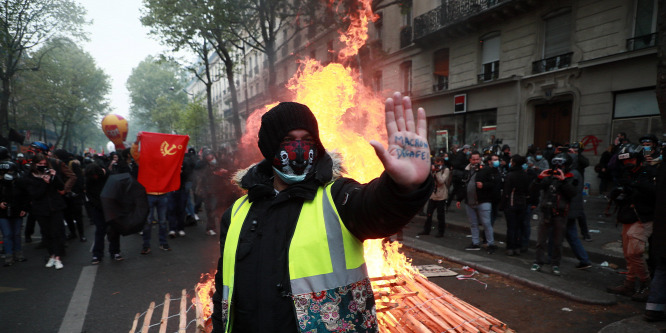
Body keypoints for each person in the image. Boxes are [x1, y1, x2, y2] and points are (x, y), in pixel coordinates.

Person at [211, 94, 432, 332]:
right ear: (269, 146)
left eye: (307, 139)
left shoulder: (337, 197)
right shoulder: (236, 213)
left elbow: (378, 209)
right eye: (288, 139)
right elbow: (224, 287)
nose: (299, 148)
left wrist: (403, 187)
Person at [606, 144, 657, 301]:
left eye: (631, 159)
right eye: (625, 161)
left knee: (635, 252)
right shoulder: (626, 173)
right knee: (628, 253)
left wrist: (634, 186)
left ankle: (646, 283)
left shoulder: (649, 172)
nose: (628, 163)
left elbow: (654, 192)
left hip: (645, 217)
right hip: (629, 215)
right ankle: (629, 284)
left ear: (639, 159)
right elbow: (612, 166)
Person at [530, 153, 578, 276]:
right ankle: (538, 262)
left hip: (560, 213)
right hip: (546, 211)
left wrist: (563, 181)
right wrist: (539, 178)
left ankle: (555, 264)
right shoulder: (549, 178)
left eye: (560, 165)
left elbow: (572, 193)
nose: (558, 167)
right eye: (556, 164)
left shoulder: (571, 177)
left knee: (557, 241)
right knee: (541, 240)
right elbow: (533, 189)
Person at [18, 153, 67, 269]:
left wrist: (54, 177)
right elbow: (35, 195)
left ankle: (58, 257)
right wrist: (44, 184)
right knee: (47, 233)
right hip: (40, 209)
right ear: (34, 164)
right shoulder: (29, 177)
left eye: (44, 164)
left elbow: (61, 187)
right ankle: (51, 255)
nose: (42, 166)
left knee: (57, 232)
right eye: (39, 164)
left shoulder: (50, 173)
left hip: (55, 207)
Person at [455, 151, 498, 254]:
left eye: (477, 159)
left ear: (480, 159)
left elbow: (494, 184)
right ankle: (475, 243)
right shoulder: (466, 170)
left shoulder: (486, 169)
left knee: (486, 223)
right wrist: (459, 199)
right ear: (470, 160)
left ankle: (490, 244)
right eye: (473, 159)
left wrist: (483, 185)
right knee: (473, 224)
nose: (475, 161)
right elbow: (463, 185)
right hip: (470, 202)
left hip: (483, 201)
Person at [86, 163, 124, 264]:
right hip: (98, 208)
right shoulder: (90, 179)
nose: (94, 178)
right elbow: (89, 194)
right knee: (100, 231)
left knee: (114, 230)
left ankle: (115, 251)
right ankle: (97, 254)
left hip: (111, 207)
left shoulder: (110, 176)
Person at [0, 159, 27, 266]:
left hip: (17, 211)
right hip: (2, 213)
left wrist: (24, 209)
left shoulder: (19, 182)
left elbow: (25, 196)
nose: (6, 174)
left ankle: (18, 254)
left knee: (16, 234)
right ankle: (9, 256)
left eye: (9, 171)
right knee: (7, 234)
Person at [502, 154, 529, 256]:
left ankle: (510, 247)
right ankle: (517, 246)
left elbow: (506, 192)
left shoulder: (511, 175)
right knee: (518, 226)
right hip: (522, 203)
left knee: (511, 227)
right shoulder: (525, 174)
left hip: (512, 203)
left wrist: (503, 204)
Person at [418, 156, 450, 237]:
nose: (436, 166)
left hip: (441, 196)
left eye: (438, 164)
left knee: (440, 215)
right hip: (433, 195)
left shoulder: (445, 170)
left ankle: (441, 232)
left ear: (442, 163)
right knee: (429, 214)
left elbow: (441, 181)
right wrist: (432, 172)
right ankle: (426, 230)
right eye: (435, 164)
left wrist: (438, 172)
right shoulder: (432, 170)